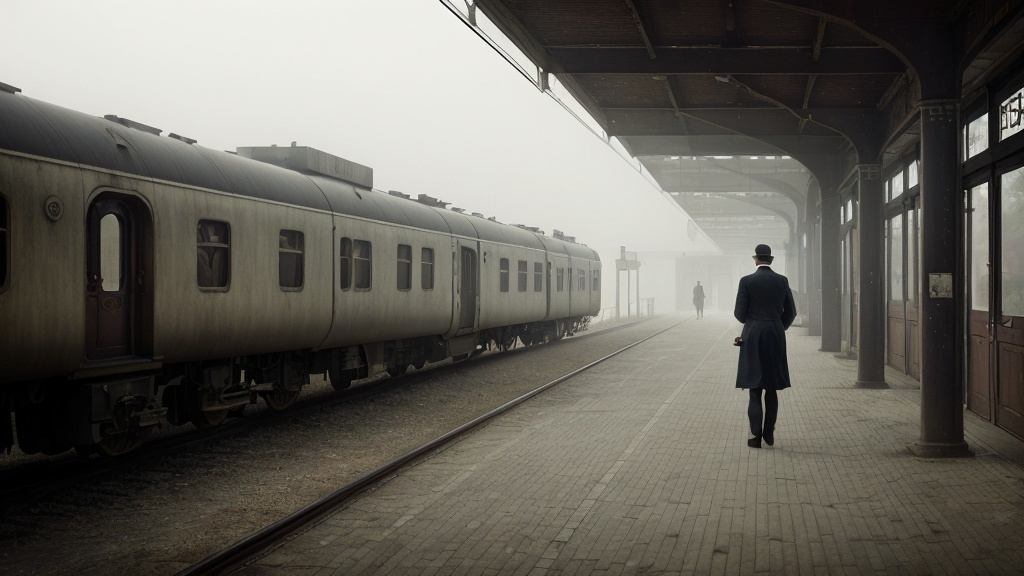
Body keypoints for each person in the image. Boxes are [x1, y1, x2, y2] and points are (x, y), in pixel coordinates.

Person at [734, 244, 796, 448]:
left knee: (754, 388)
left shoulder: (747, 281)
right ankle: (769, 432)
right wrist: (779, 326)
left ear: (756, 260)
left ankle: (755, 437)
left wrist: (753, 322)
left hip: (752, 334)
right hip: (775, 333)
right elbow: (791, 312)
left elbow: (739, 315)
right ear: (771, 260)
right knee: (771, 387)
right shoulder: (782, 280)